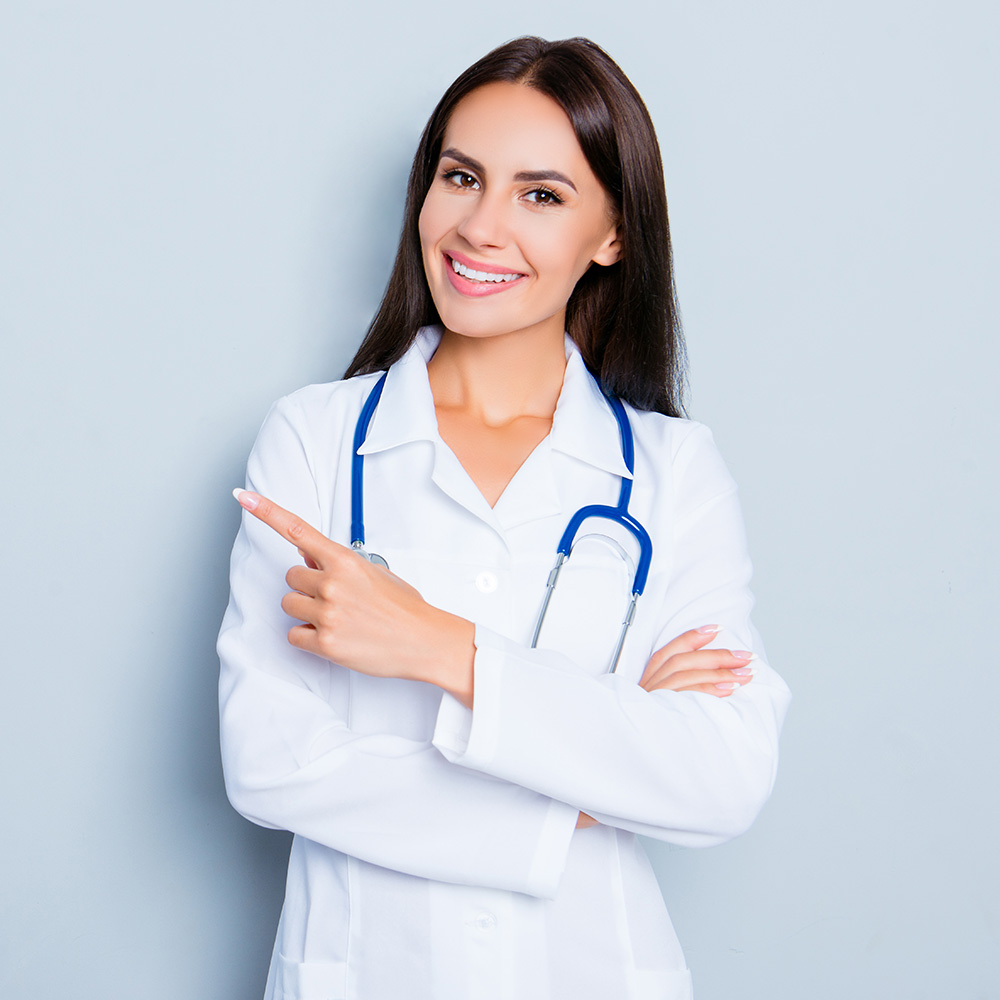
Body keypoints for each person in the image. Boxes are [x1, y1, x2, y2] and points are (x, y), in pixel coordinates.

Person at [219, 35, 790, 1000]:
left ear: (612, 235)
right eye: (460, 177)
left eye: (542, 194)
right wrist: (585, 793)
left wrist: (436, 645)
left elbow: (720, 776)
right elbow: (269, 763)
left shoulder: (670, 472)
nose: (481, 227)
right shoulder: (314, 440)